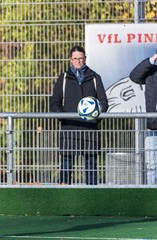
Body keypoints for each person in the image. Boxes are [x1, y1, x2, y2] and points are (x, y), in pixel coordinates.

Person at [51, 46, 108, 185]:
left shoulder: (95, 77)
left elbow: (104, 102)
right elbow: (54, 102)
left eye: (81, 58)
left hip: (90, 129)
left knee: (91, 165)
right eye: (75, 58)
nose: (78, 61)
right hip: (69, 128)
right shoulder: (63, 78)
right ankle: (64, 195)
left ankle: (92, 195)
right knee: (66, 163)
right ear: (71, 59)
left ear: (85, 59)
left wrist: (95, 116)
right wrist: (63, 117)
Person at [129, 43, 157, 185]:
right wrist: (150, 59)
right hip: (153, 130)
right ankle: (153, 200)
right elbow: (134, 76)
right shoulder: (152, 72)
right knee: (152, 168)